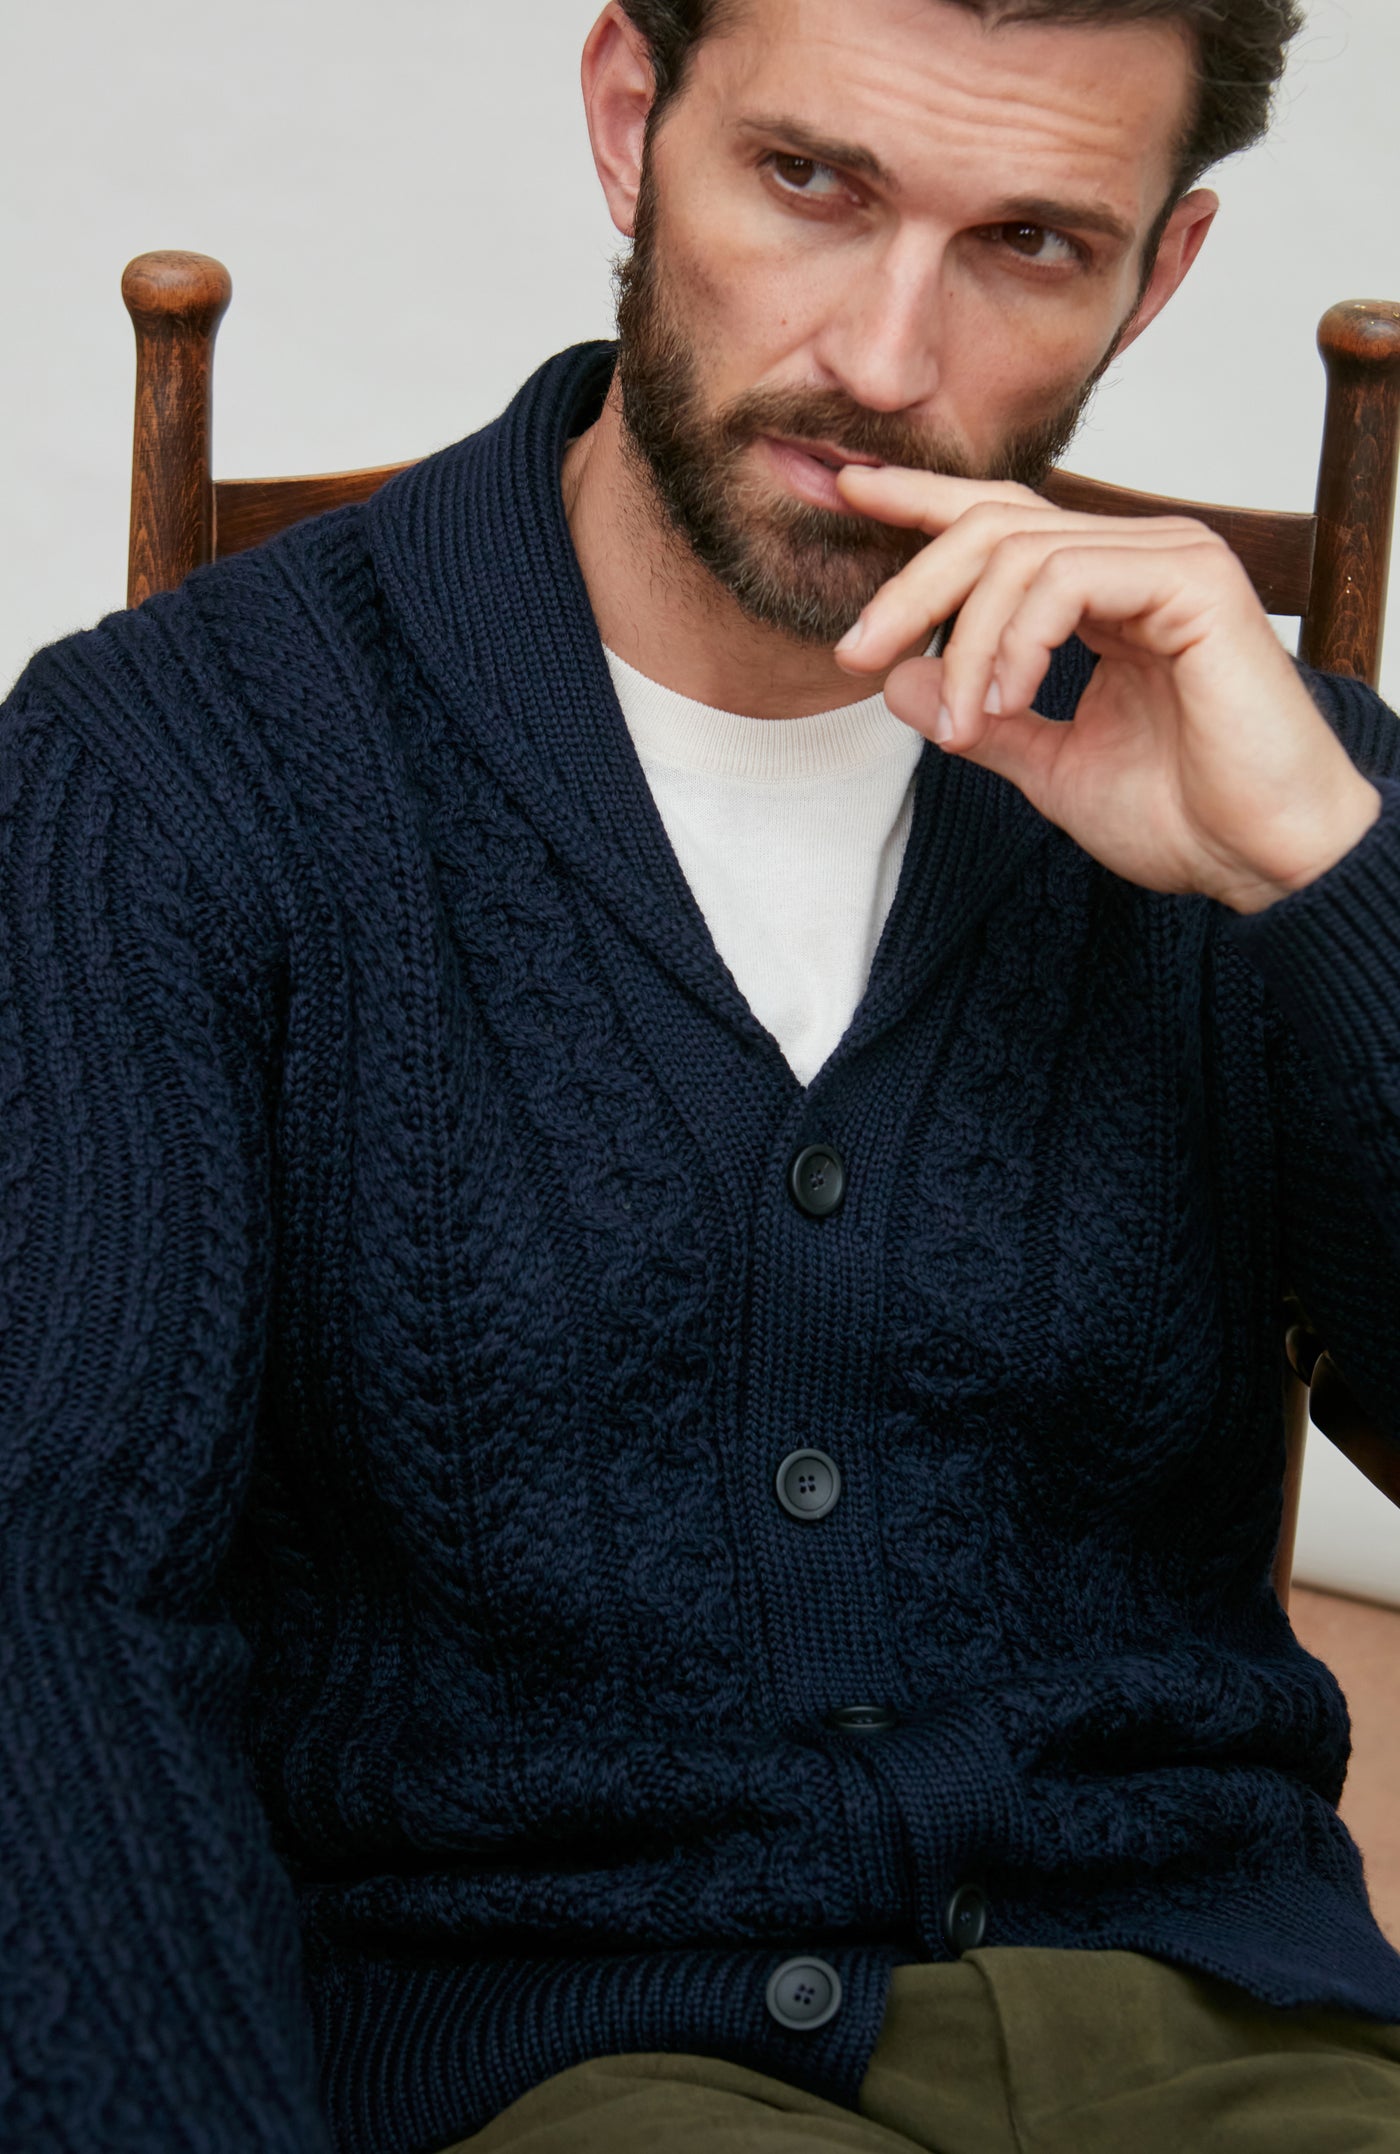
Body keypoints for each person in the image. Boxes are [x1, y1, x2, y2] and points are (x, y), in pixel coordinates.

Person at [2, 0, 1399, 2148]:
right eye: (809, 182)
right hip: (559, 2052)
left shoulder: (1274, 788)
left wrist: (1322, 886)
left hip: (1230, 2024)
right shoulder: (180, 777)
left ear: (1161, 271)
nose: (881, 353)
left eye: (1027, 241)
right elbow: (59, 1610)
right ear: (631, 115)